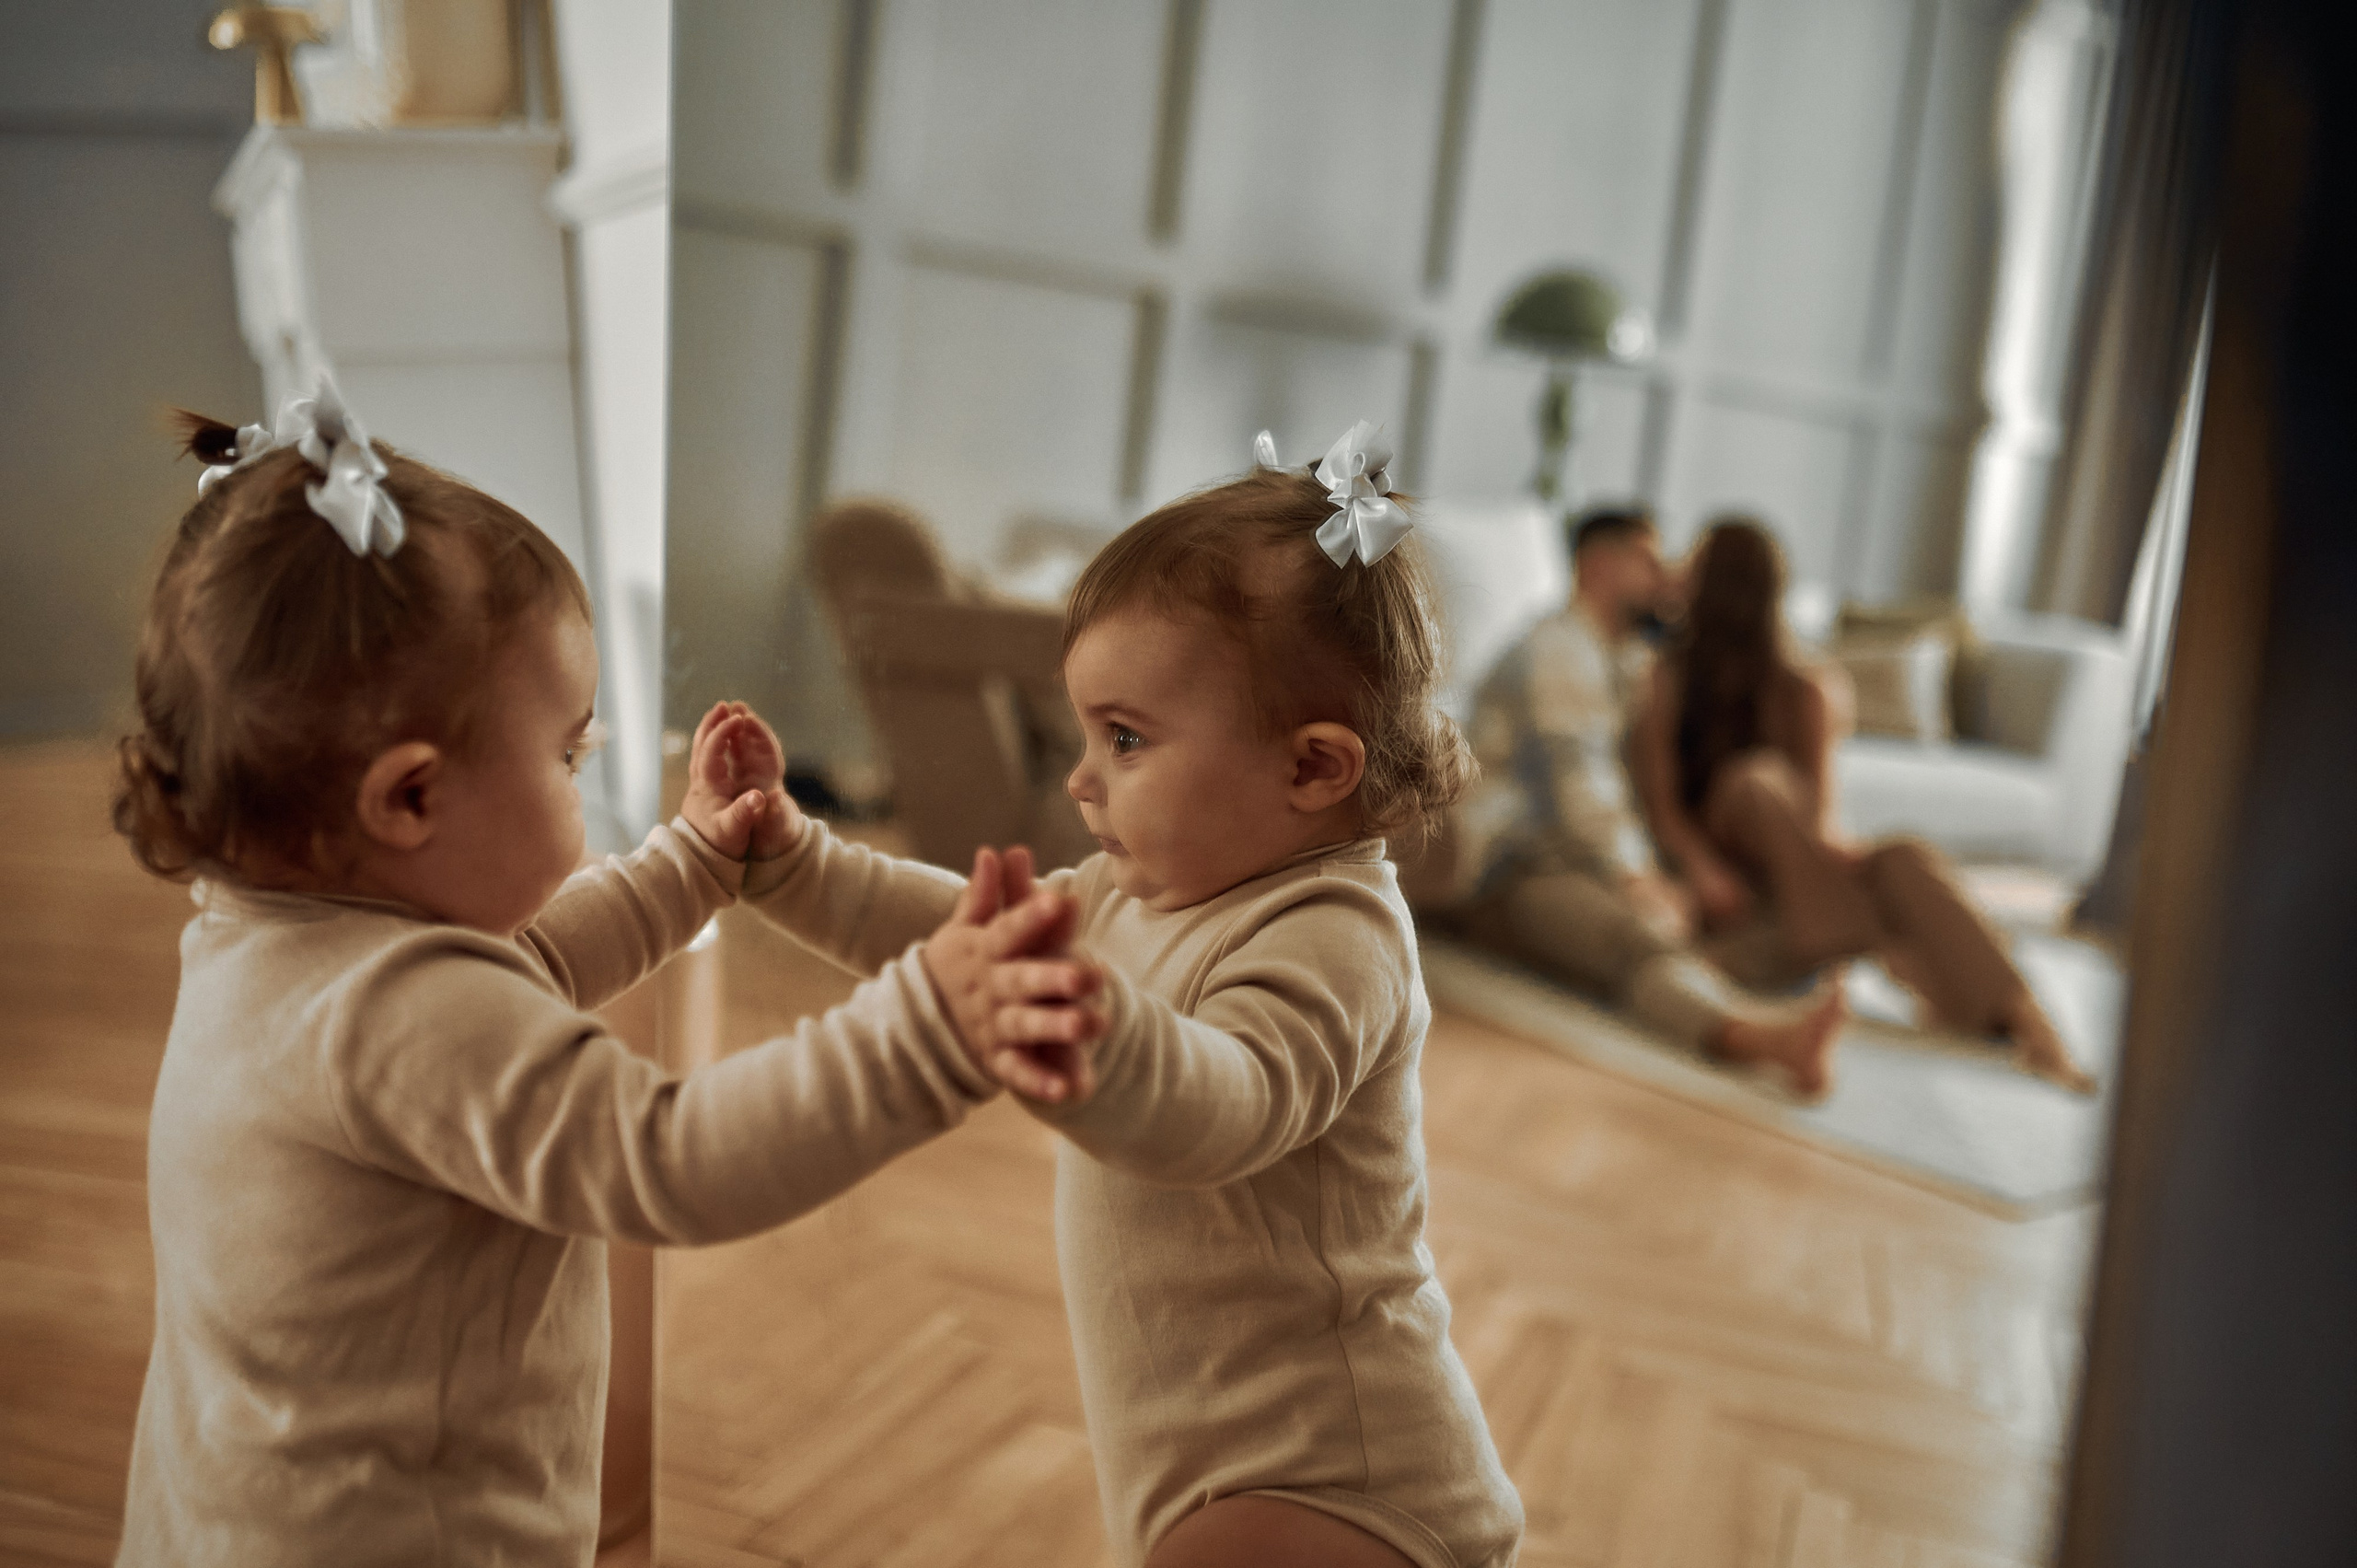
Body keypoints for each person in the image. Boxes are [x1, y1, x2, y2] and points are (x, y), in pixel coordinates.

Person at [110, 384, 1057, 1566]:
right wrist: (923, 1029)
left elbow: (531, 960)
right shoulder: (401, 1019)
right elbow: (668, 1158)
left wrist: (694, 860)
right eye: (568, 751)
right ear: (409, 796)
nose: (586, 768)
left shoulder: (278, 941)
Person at [748, 424, 1523, 1568]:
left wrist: (1094, 1039)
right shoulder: (1133, 889)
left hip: (1333, 1473)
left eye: (1125, 737)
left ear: (1312, 767)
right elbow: (959, 927)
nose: (1080, 776)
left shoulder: (1337, 933)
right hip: (1200, 1455)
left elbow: (1227, 1103)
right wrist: (794, 864)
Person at [1631, 516, 2096, 1093]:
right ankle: (1867, 943)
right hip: (1728, 894)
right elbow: (1662, 807)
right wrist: (1702, 869)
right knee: (1754, 780)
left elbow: (1820, 820)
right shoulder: (1666, 678)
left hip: (1792, 896)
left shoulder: (1807, 689)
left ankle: (2033, 1025)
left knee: (1904, 856)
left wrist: (1846, 863)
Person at [1457, 505, 1847, 1093]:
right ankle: (1758, 1036)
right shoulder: (1559, 651)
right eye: (1650, 559)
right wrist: (1640, 880)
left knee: (1756, 927)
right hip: (1512, 869)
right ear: (1602, 567)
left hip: (1578, 858)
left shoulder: (1626, 660)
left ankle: (1691, 977)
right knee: (1636, 938)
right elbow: (1581, 791)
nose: (1668, 578)